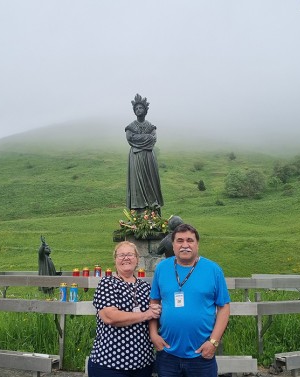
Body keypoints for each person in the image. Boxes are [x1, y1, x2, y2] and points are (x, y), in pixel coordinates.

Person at [149, 224, 231, 377]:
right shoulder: (162, 268)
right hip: (168, 353)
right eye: (179, 241)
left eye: (189, 240)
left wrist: (213, 342)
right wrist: (153, 335)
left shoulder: (213, 270)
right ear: (173, 245)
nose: (185, 245)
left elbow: (224, 307)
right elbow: (154, 302)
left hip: (201, 354)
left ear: (197, 244)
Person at [88, 241, 161, 377]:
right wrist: (146, 314)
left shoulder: (146, 287)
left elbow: (155, 316)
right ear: (115, 260)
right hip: (109, 364)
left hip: (142, 363)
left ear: (137, 259)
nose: (126, 258)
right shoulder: (107, 283)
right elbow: (110, 317)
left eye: (130, 254)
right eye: (121, 255)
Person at [125, 94, 164, 215]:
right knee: (137, 181)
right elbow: (130, 139)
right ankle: (138, 210)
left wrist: (139, 140)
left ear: (145, 110)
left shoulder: (151, 126)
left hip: (148, 158)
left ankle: (152, 208)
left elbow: (152, 140)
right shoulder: (130, 127)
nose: (138, 110)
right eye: (136, 108)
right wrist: (146, 138)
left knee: (150, 181)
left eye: (140, 108)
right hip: (136, 157)